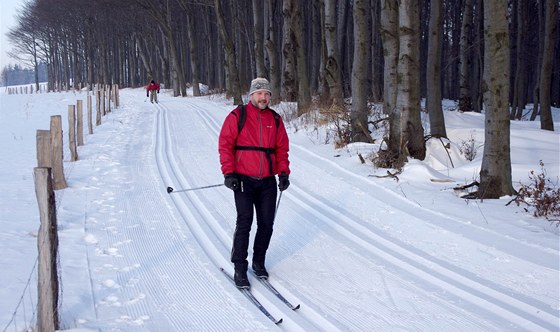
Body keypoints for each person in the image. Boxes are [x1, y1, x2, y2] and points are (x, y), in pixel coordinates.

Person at [218, 77, 291, 289]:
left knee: (267, 223)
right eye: (259, 93)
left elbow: (281, 149)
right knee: (245, 222)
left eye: (267, 94)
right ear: (251, 95)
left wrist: (283, 173)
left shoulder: (275, 119)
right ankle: (240, 266)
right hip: (243, 180)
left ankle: (259, 261)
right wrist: (229, 173)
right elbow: (225, 145)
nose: (264, 97)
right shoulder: (237, 116)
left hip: (267, 180)